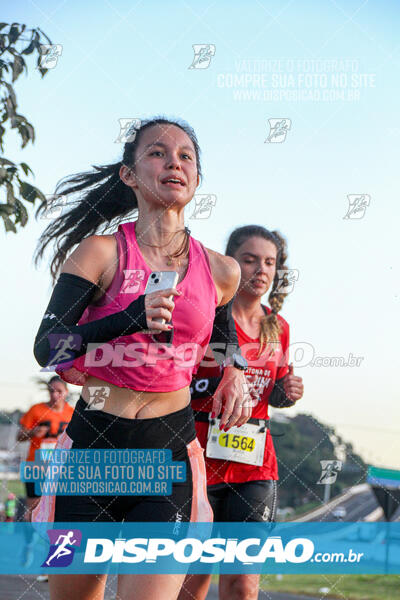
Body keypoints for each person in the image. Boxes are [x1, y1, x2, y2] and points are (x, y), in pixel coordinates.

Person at [31, 117, 250, 600]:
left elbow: (219, 326)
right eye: (157, 152)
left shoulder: (221, 269)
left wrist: (233, 369)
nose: (174, 161)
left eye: (186, 156)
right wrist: (126, 318)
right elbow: (48, 347)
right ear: (129, 175)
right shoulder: (99, 253)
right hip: (93, 453)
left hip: (167, 454)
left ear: (196, 178)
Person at [179, 225, 304, 600]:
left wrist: (287, 393)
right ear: (231, 262)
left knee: (242, 584)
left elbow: (272, 391)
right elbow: (177, 383)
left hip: (254, 467)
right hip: (198, 464)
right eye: (250, 260)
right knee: (192, 579)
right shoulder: (207, 315)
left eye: (269, 262)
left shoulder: (277, 327)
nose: (261, 270)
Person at [17, 375, 73, 519]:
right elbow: (19, 436)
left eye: (59, 391)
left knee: (59, 505)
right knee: (32, 506)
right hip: (36, 464)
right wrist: (33, 432)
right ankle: (30, 540)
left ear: (66, 391)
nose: (55, 395)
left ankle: (51, 539)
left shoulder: (72, 413)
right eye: (51, 391)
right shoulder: (36, 409)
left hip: (60, 466)